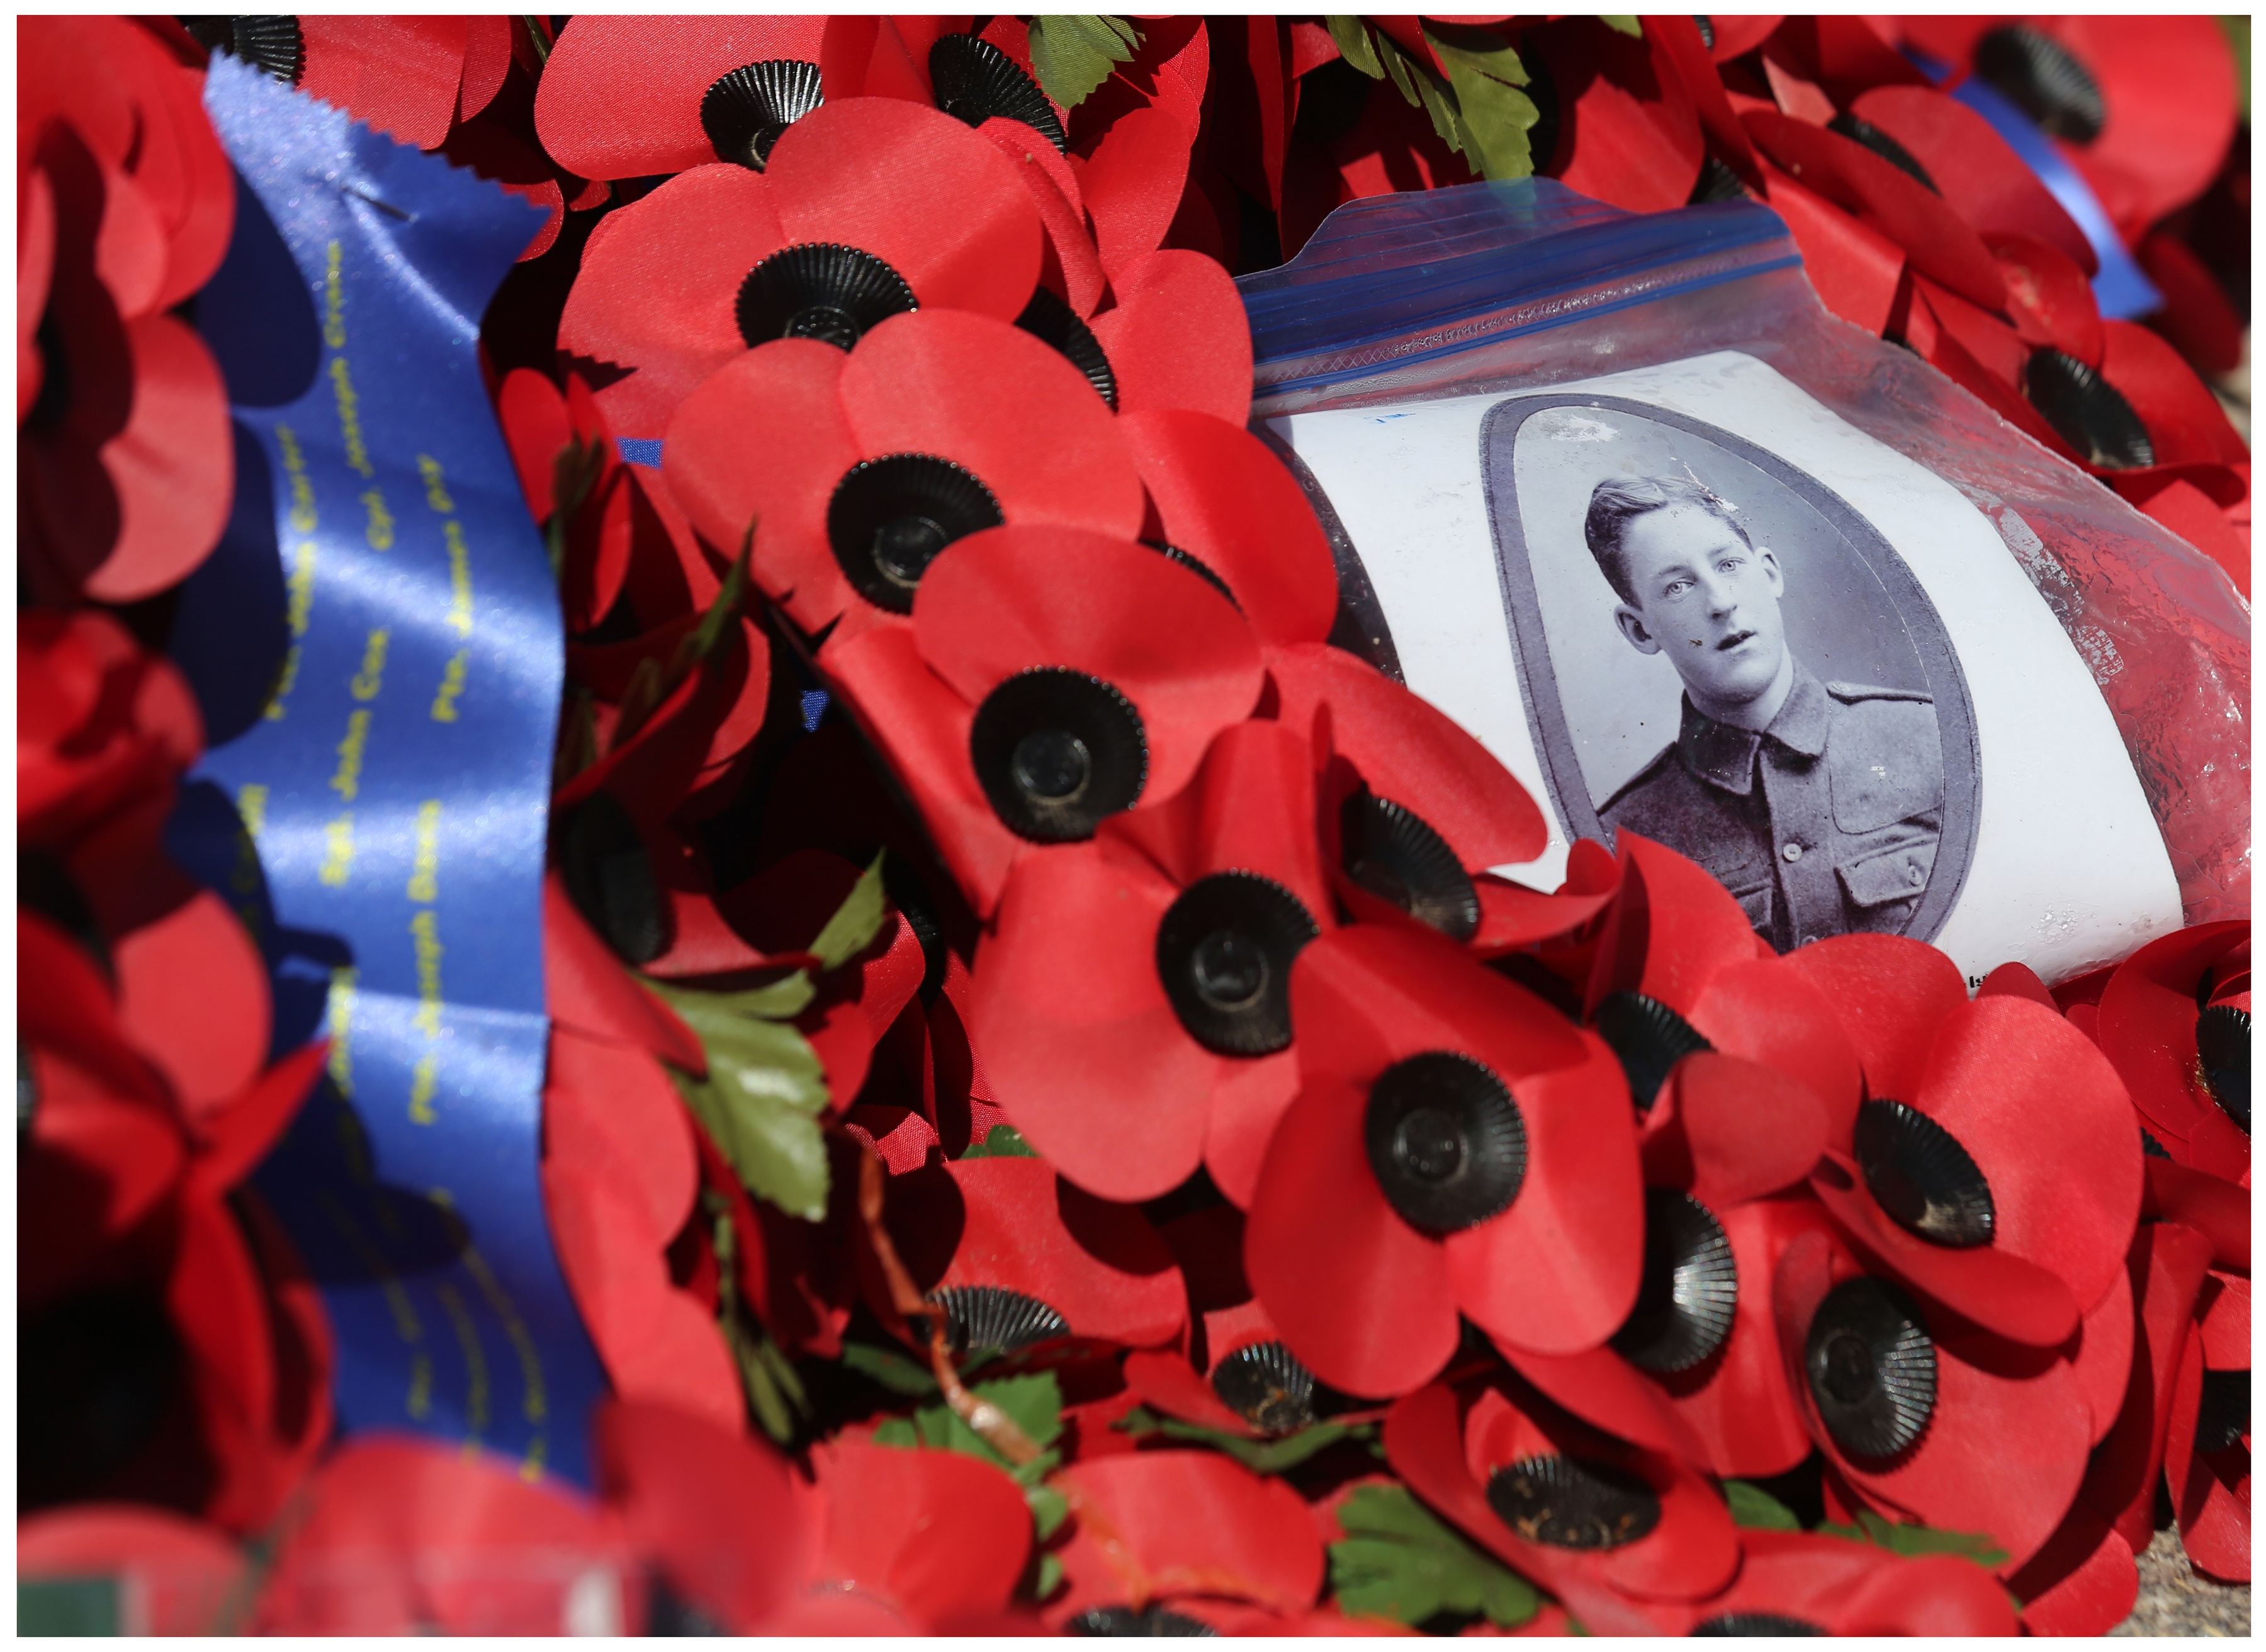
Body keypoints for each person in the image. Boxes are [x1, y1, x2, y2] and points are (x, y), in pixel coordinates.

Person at [1586, 473, 1943, 950]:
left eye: (1728, 564)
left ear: (1770, 573)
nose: (1720, 602)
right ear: (1639, 630)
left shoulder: (1928, 739)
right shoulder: (1622, 839)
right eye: (1677, 587)